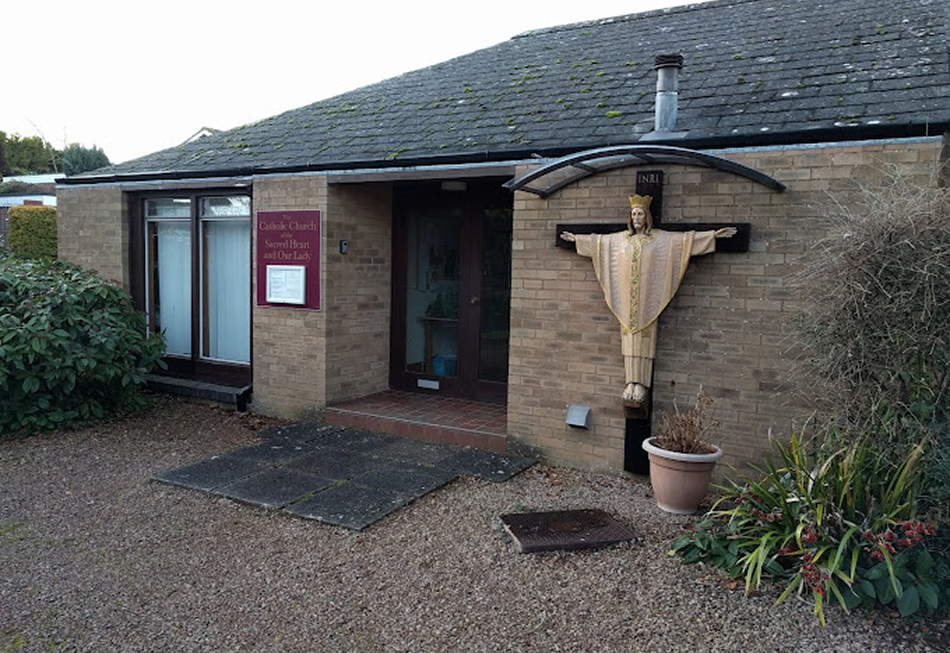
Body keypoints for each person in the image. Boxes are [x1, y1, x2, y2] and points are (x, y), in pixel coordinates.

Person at [561, 195, 736, 403]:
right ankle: (630, 382)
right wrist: (577, 240)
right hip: (627, 298)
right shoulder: (621, 239)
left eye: (640, 213)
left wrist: (713, 236)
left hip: (648, 298)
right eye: (633, 213)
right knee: (628, 338)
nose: (636, 217)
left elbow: (684, 241)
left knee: (644, 338)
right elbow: (600, 243)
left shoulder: (659, 238)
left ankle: (641, 383)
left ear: (647, 216)